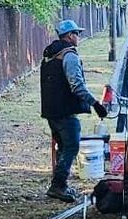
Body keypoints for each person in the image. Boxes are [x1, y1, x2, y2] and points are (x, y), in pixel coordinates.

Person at [39, 19, 106, 201]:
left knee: (63, 147)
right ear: (70, 35)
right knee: (71, 146)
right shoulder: (69, 56)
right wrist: (96, 104)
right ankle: (58, 186)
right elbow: (76, 85)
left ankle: (60, 185)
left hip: (50, 110)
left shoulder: (50, 55)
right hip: (65, 110)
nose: (79, 37)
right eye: (77, 33)